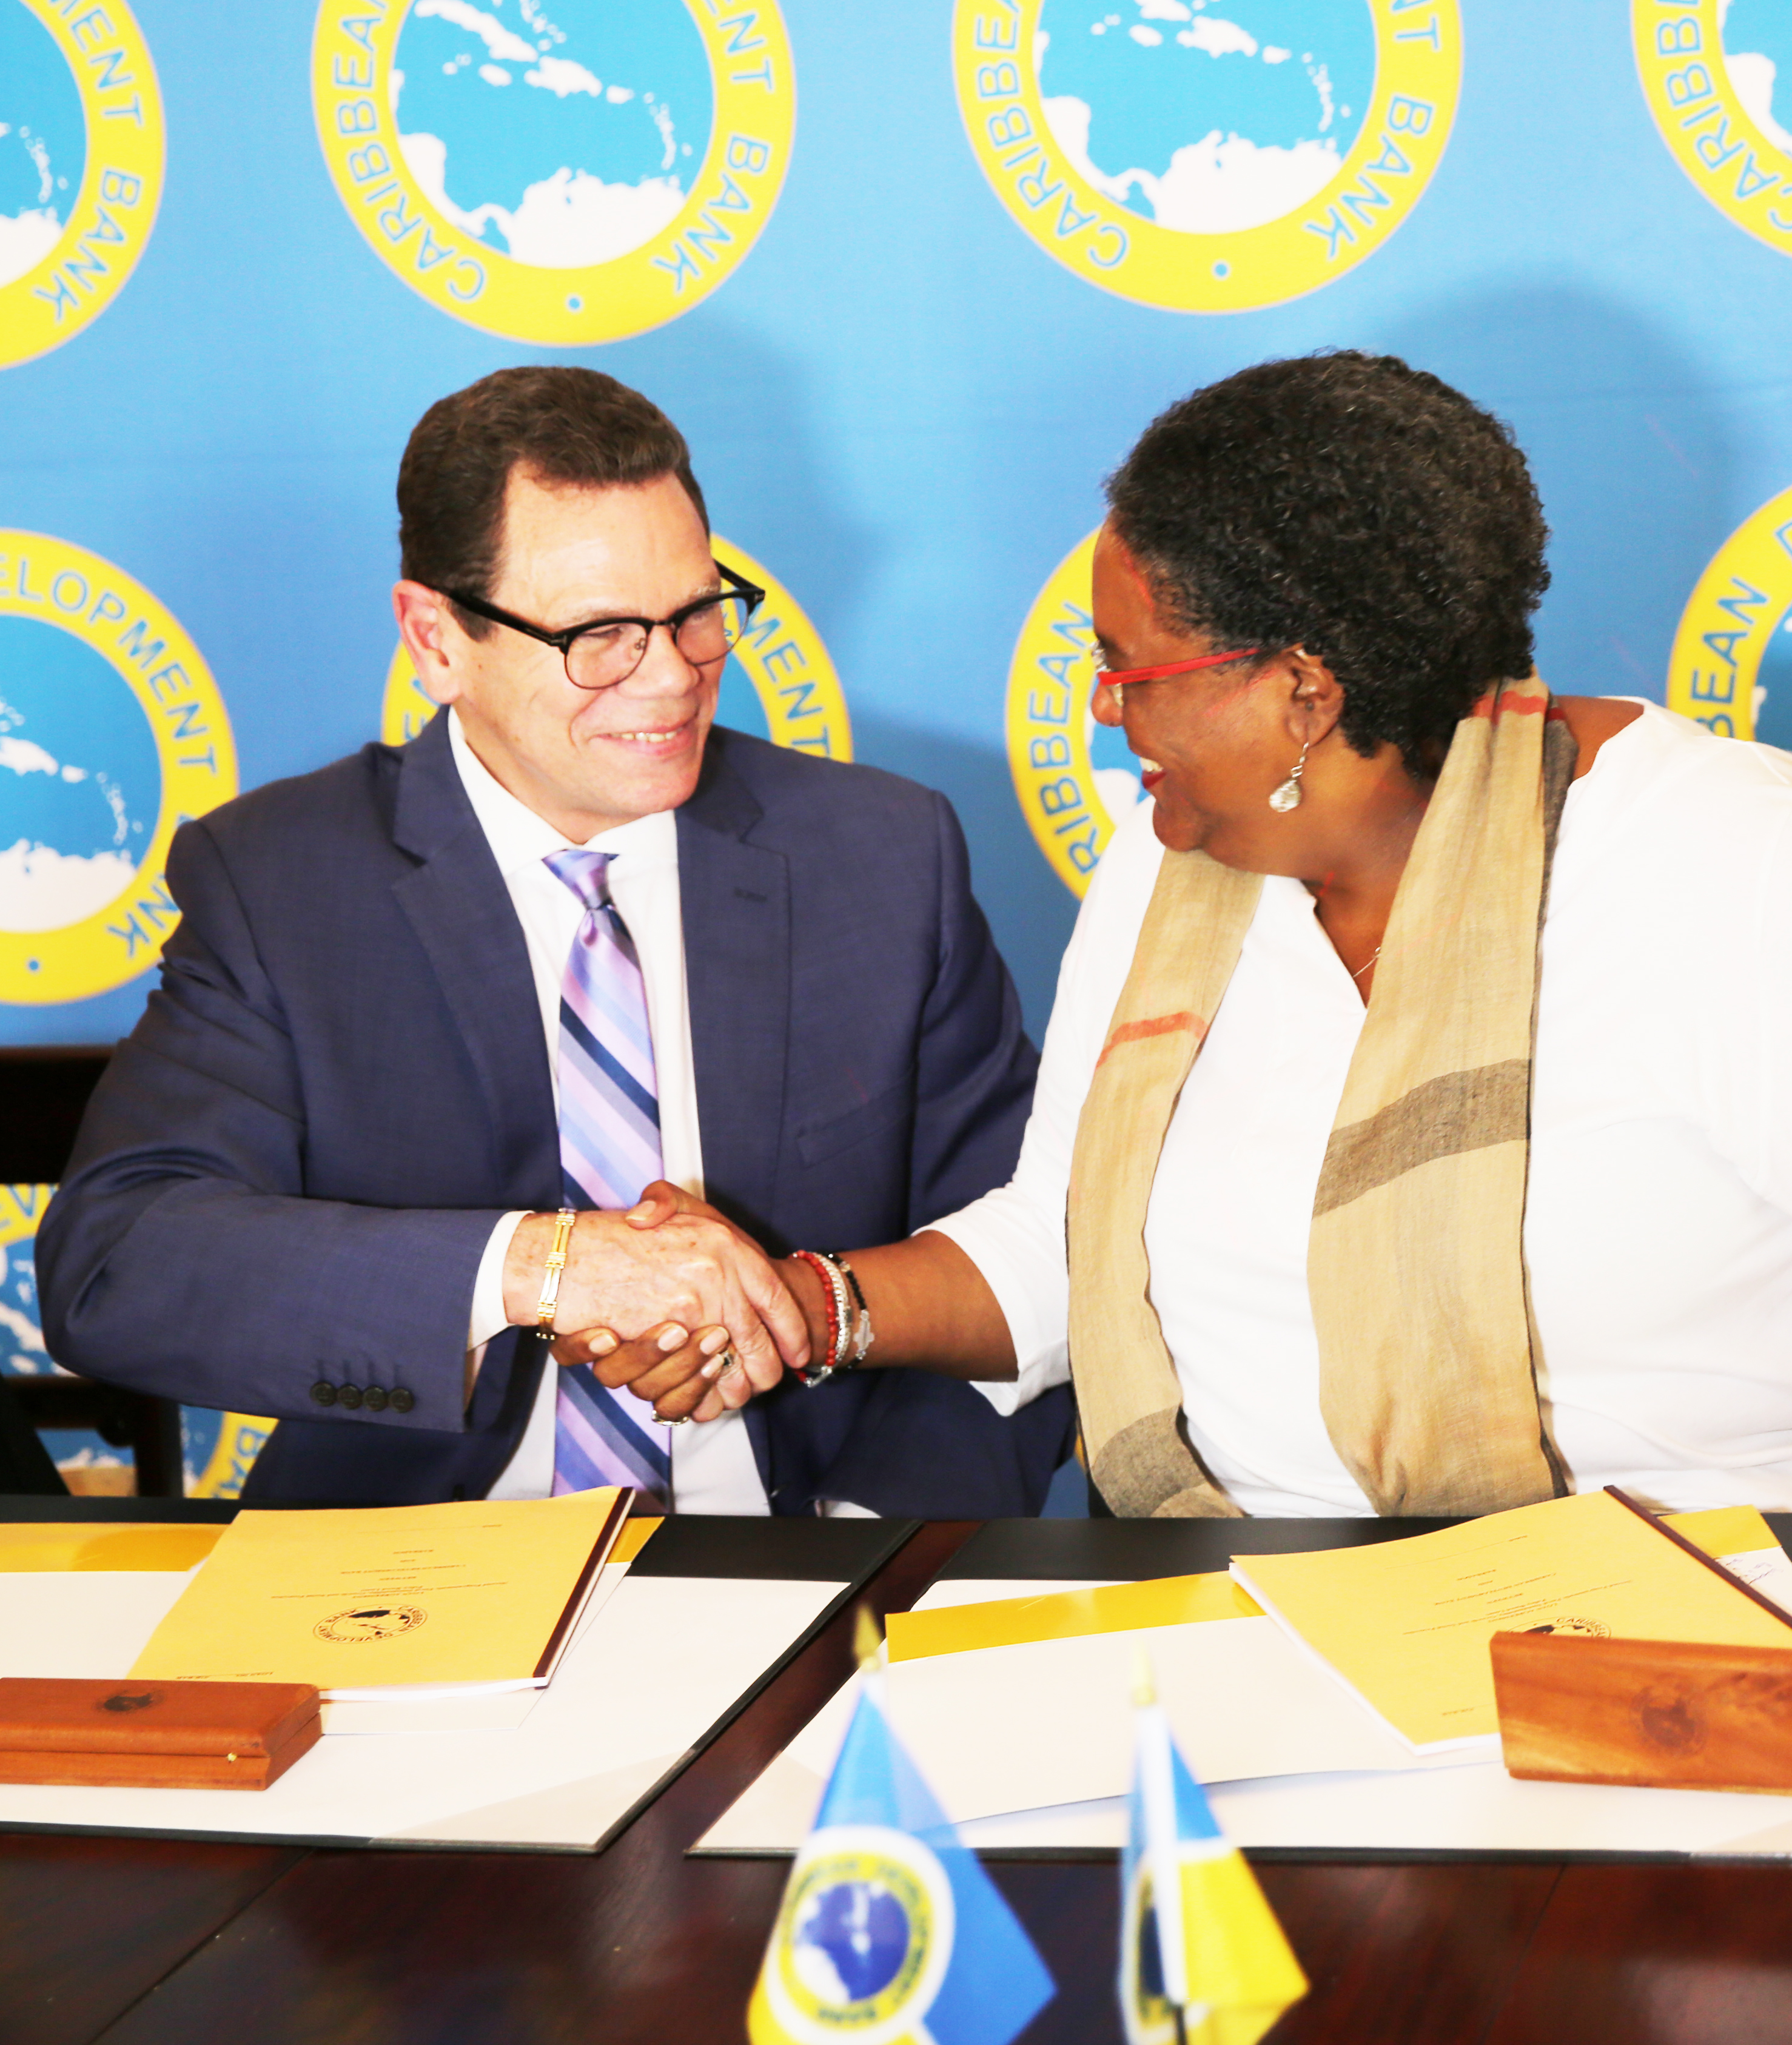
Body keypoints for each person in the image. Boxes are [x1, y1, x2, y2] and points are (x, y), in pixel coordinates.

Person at [583, 350, 1792, 1650]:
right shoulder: (1167, 864)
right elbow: (1072, 1249)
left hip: (1730, 1610)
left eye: (1134, 671)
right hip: (1267, 1628)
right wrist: (802, 1309)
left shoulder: (1722, 850)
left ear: (1302, 690)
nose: (1107, 717)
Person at [36, 366, 1072, 1517]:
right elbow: (119, 1259)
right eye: (601, 637)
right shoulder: (283, 880)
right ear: (436, 638)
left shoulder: (882, 857)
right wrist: (549, 1268)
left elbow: (1028, 1267)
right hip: (416, 1569)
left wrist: (860, 1552)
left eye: (694, 612)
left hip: (808, 1551)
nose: (674, 676)